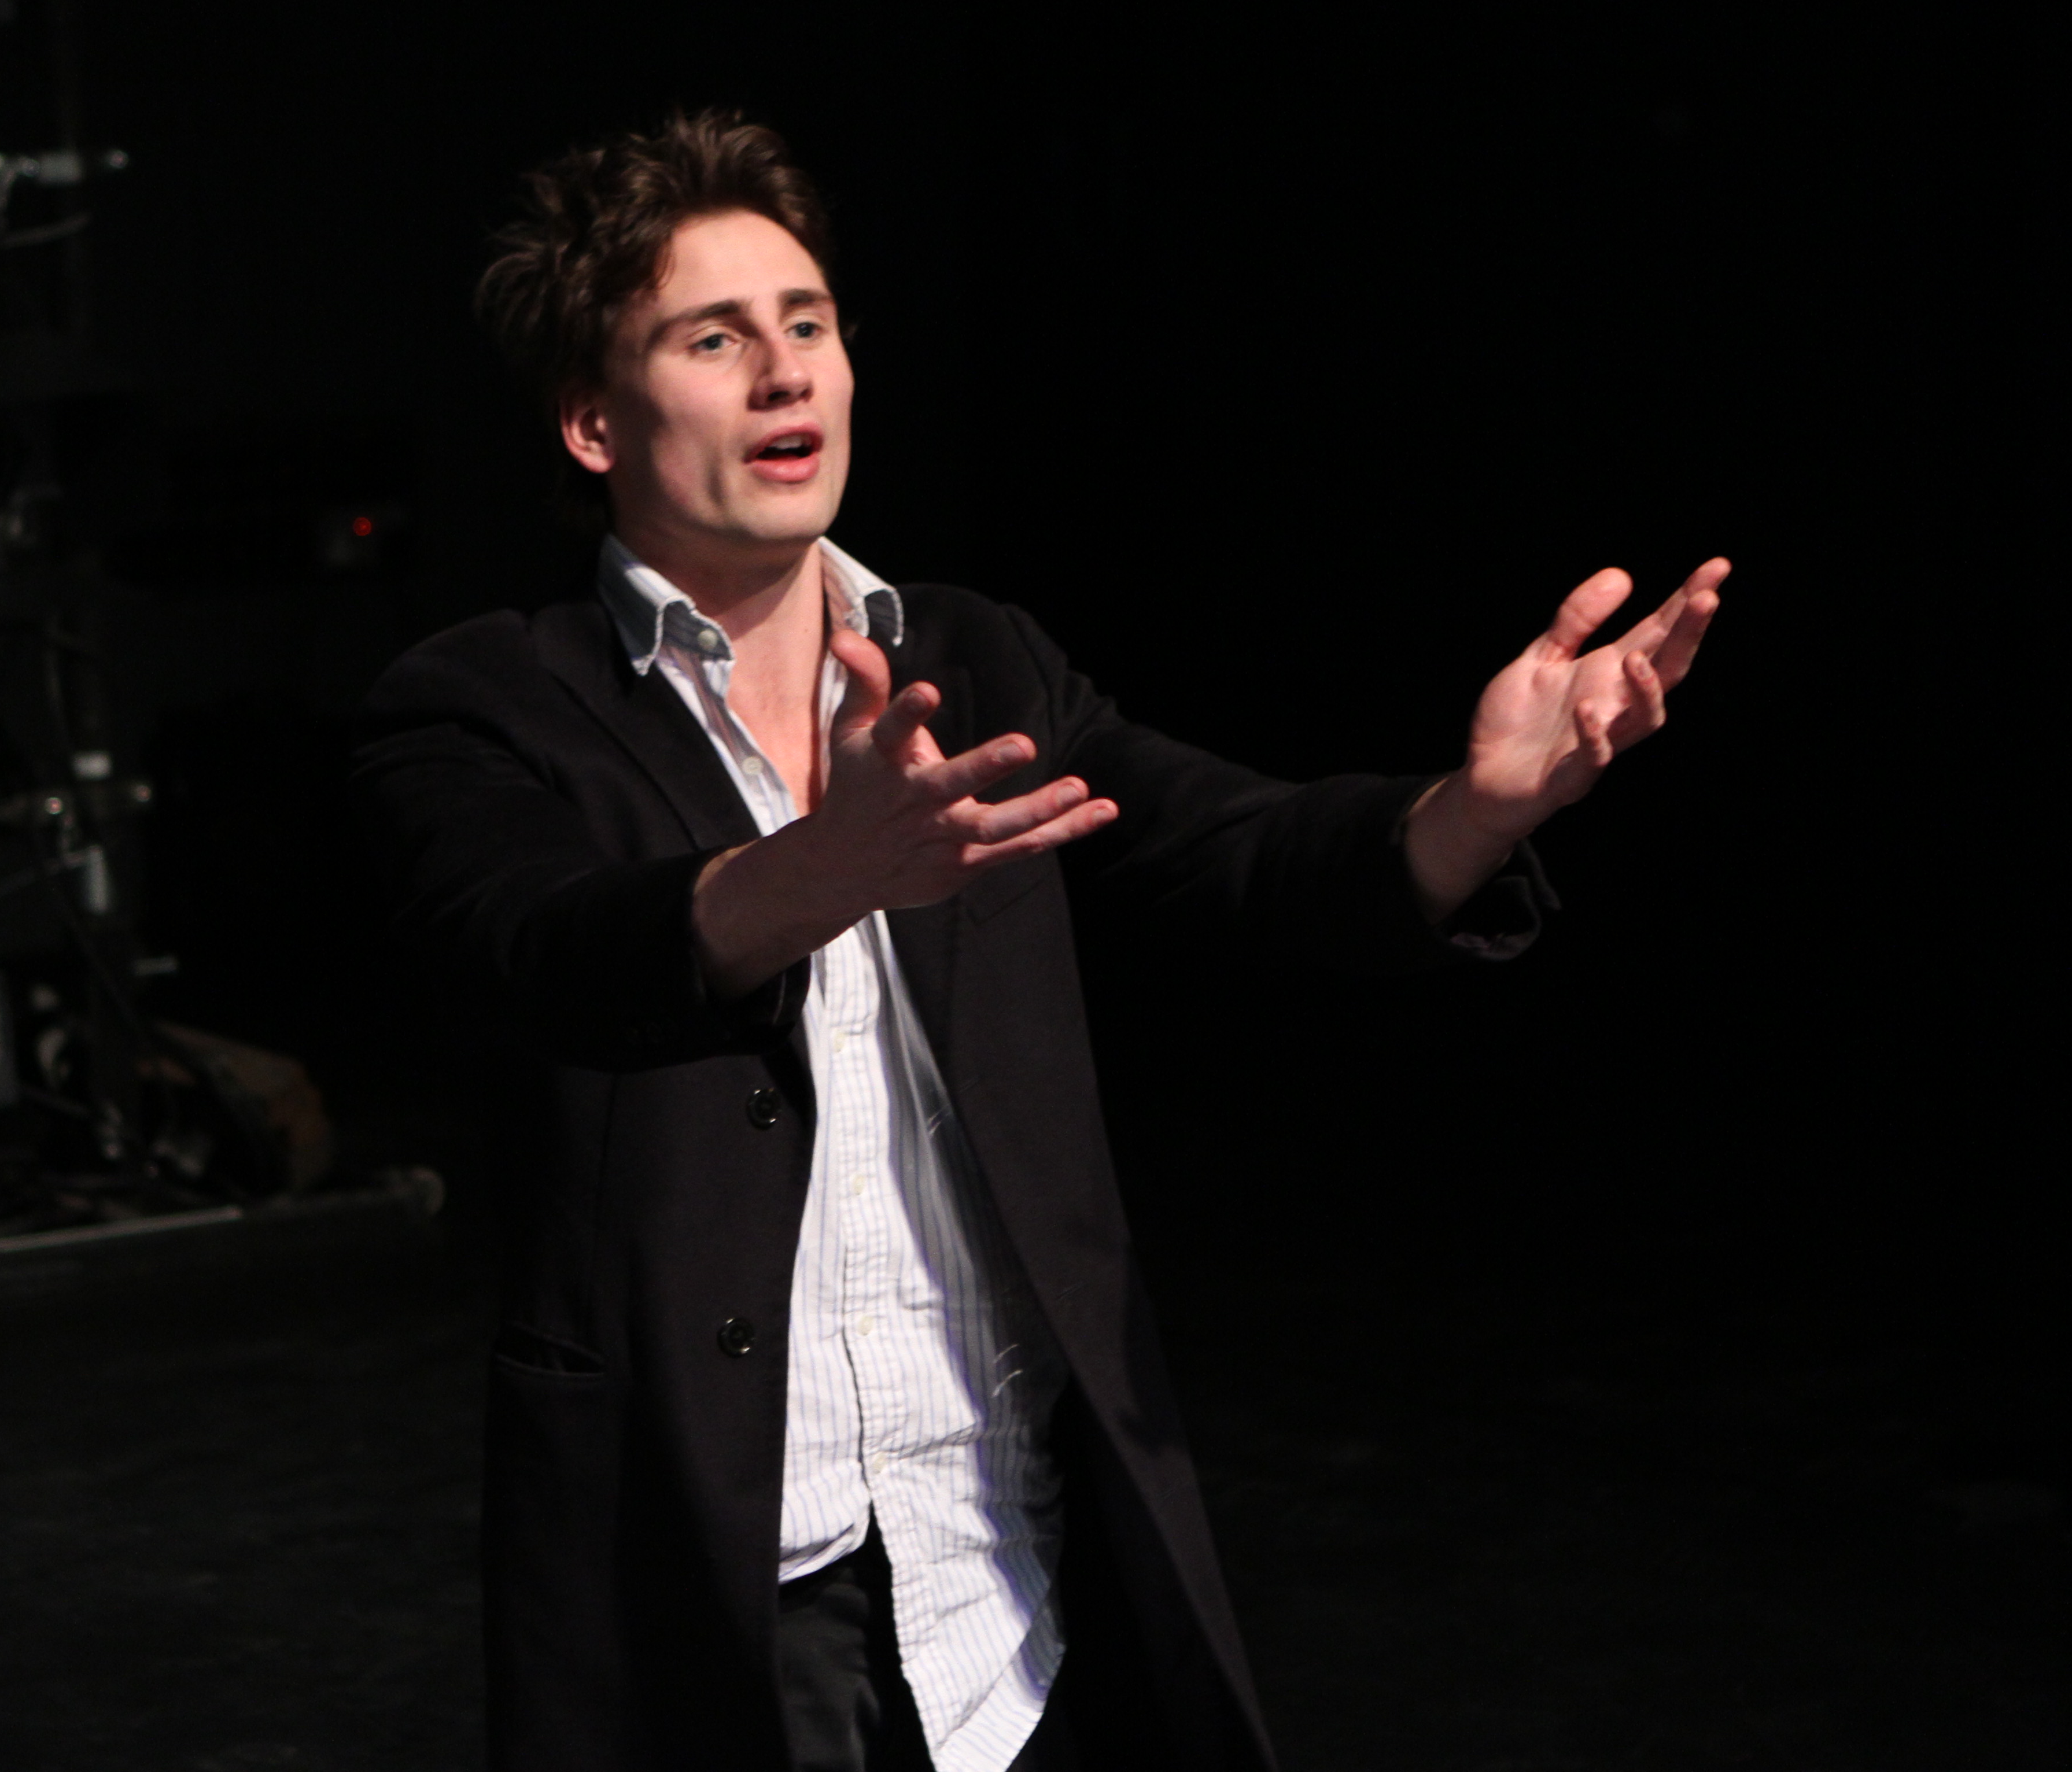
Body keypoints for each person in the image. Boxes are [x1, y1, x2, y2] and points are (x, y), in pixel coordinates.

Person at [351, 110, 1726, 1771]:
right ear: (592, 422)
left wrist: (1479, 805)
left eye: (810, 325)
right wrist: (820, 870)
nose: (788, 374)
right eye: (716, 341)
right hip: (731, 1580)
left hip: (1012, 1558)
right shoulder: (489, 704)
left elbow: (1242, 857)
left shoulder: (980, 664)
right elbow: (549, 949)